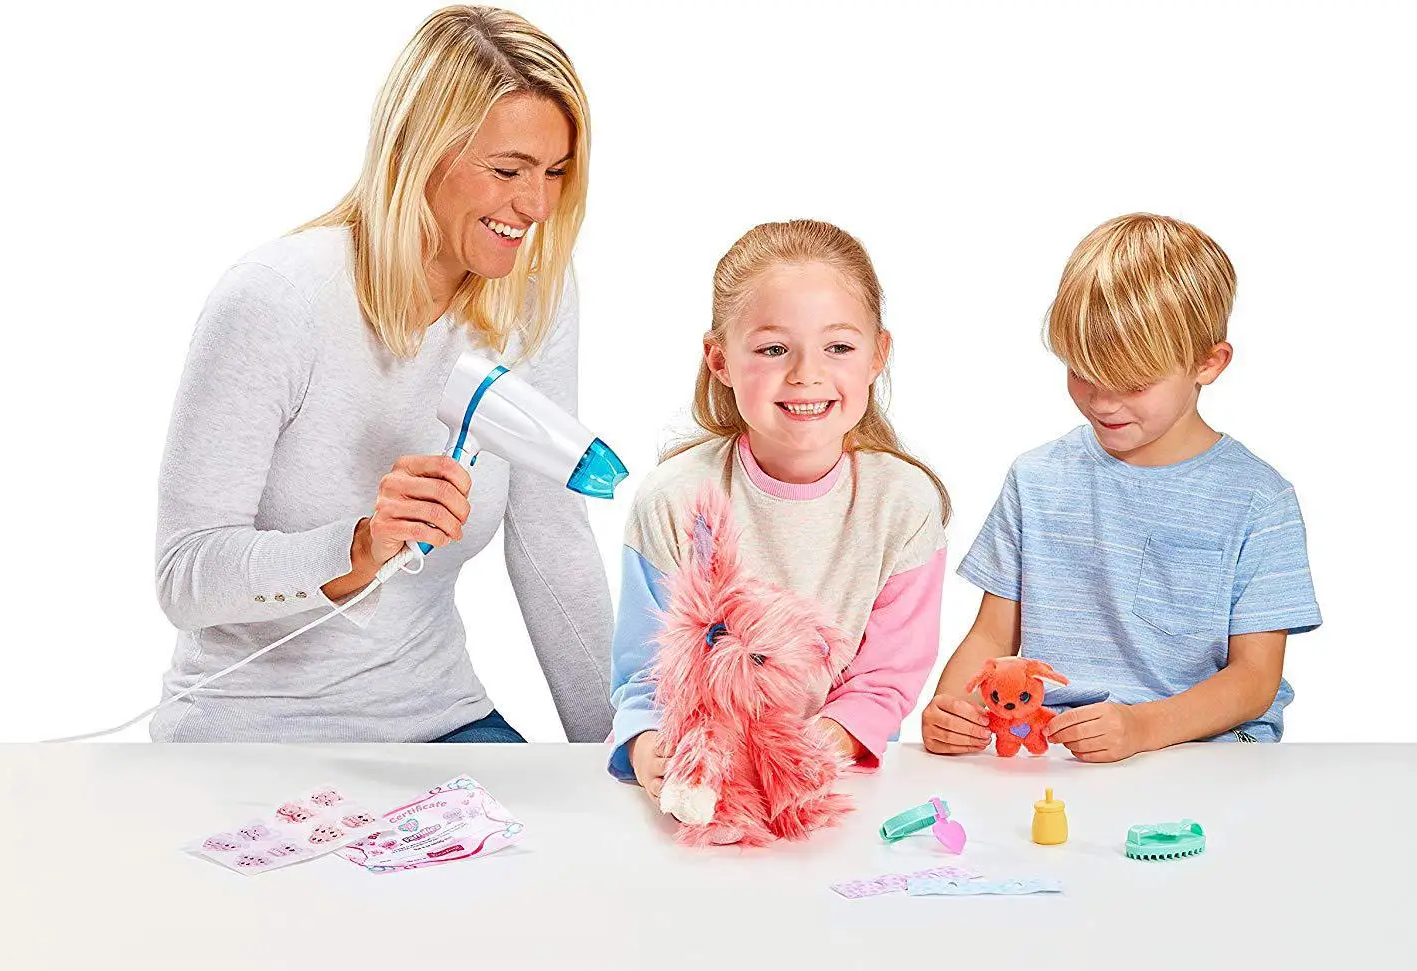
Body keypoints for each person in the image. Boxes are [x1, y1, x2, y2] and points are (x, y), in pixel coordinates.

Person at [151, 5, 613, 743]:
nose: (536, 205)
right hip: (251, 728)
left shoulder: (534, 298)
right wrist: (360, 546)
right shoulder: (277, 298)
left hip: (435, 715)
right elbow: (185, 576)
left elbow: (551, 539)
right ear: (419, 151)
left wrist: (624, 751)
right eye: (507, 170)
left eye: (555, 173)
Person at [922, 213, 1322, 762]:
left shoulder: (1258, 500)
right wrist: (952, 708)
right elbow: (993, 638)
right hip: (1056, 750)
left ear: (1209, 363)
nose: (1103, 402)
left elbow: (1254, 678)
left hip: (1207, 751)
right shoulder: (1036, 480)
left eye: (1133, 383)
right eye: (1082, 372)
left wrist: (1141, 728)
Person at [608, 219, 950, 801]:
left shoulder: (904, 503)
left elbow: (884, 680)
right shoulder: (673, 498)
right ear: (719, 360)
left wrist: (799, 756)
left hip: (835, 787)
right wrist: (650, 749)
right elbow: (646, 673)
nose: (806, 374)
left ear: (878, 356)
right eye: (773, 349)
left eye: (838, 347)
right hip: (705, 784)